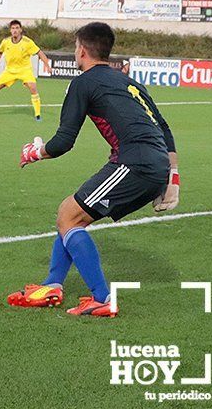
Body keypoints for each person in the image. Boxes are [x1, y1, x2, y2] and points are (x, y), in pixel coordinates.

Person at [10, 22, 179, 317]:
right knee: (69, 214)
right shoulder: (130, 83)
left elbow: (64, 141)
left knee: (70, 218)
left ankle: (102, 297)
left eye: (75, 47)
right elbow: (163, 127)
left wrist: (34, 152)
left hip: (134, 163)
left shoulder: (83, 82)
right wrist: (172, 177)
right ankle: (52, 285)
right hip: (153, 163)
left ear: (82, 50)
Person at [0, 20, 53, 120]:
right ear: (10, 30)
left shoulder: (28, 42)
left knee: (33, 88)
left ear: (21, 30)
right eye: (13, 28)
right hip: (9, 71)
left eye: (17, 28)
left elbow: (40, 53)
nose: (15, 30)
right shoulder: (5, 42)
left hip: (25, 70)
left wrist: (47, 65)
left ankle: (37, 115)